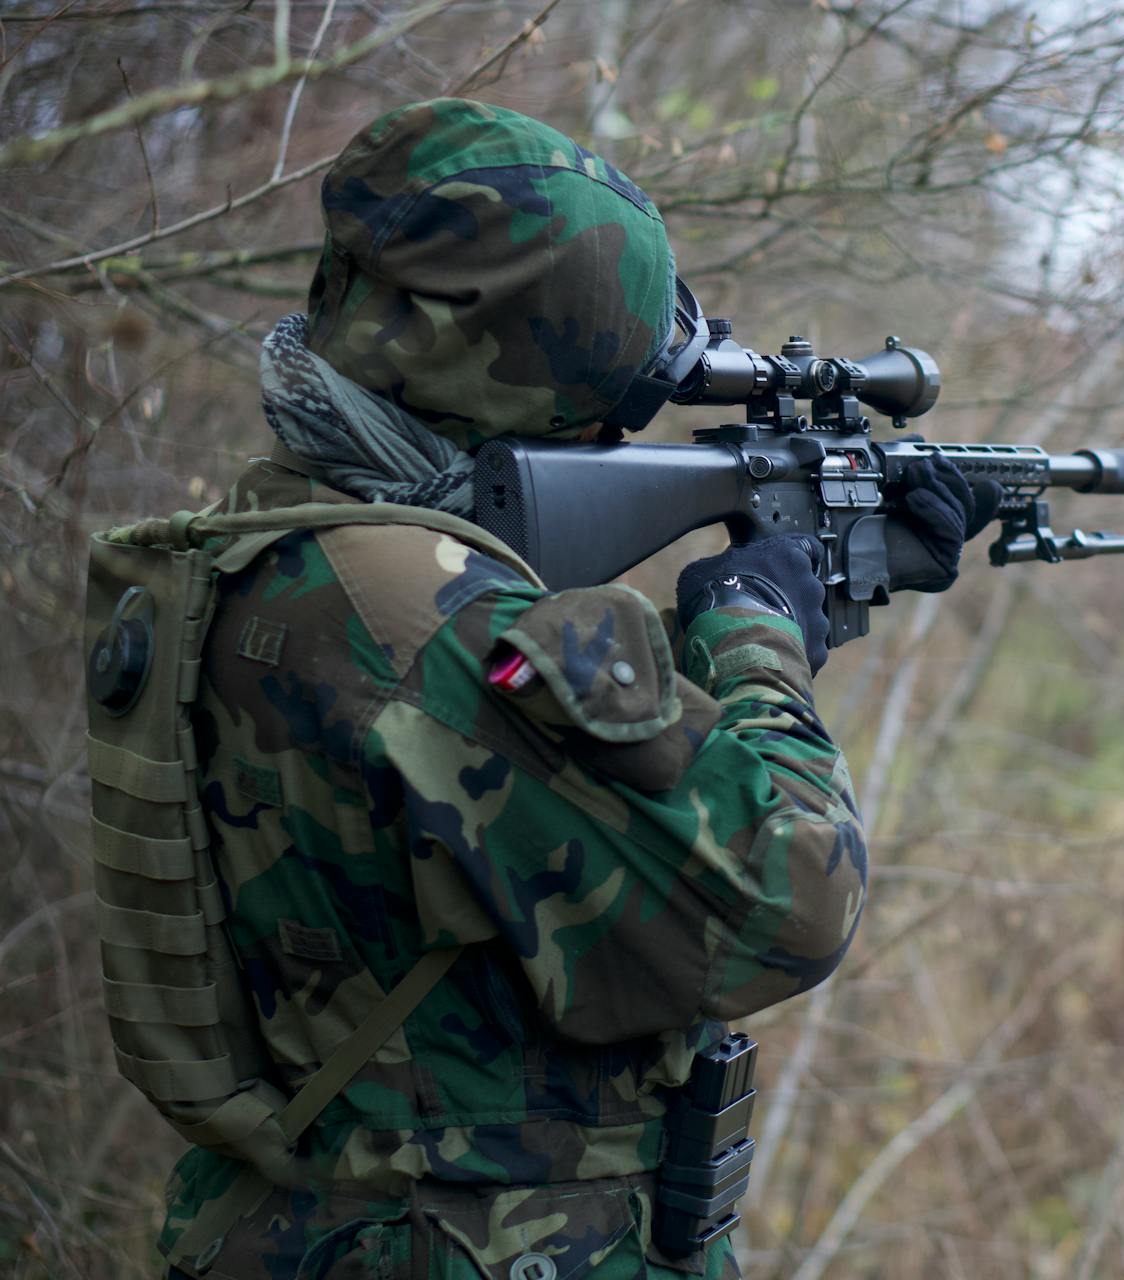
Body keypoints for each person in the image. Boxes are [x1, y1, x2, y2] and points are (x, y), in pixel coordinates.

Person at [147, 98, 996, 1279]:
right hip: (464, 1242)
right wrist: (757, 638)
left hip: (295, 1221)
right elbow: (790, 898)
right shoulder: (423, 617)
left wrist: (776, 606)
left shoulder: (275, 549)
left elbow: (492, 754)